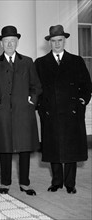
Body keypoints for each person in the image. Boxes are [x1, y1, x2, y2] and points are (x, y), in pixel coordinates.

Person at [0, 25, 42, 196]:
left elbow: (36, 86)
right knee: (5, 149)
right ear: (1, 44)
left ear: (17, 43)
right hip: (3, 114)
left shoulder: (28, 62)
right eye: (6, 41)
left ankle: (25, 183)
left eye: (12, 41)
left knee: (24, 149)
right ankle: (5, 183)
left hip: (24, 113)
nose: (9, 44)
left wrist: (32, 101)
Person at [35, 25, 92, 194]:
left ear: (64, 41)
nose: (57, 44)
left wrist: (82, 101)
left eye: (60, 40)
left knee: (71, 149)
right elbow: (36, 88)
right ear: (49, 43)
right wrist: (40, 107)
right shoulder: (41, 63)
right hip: (50, 112)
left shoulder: (76, 61)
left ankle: (70, 183)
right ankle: (56, 182)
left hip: (71, 112)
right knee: (53, 148)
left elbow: (87, 85)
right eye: (53, 41)